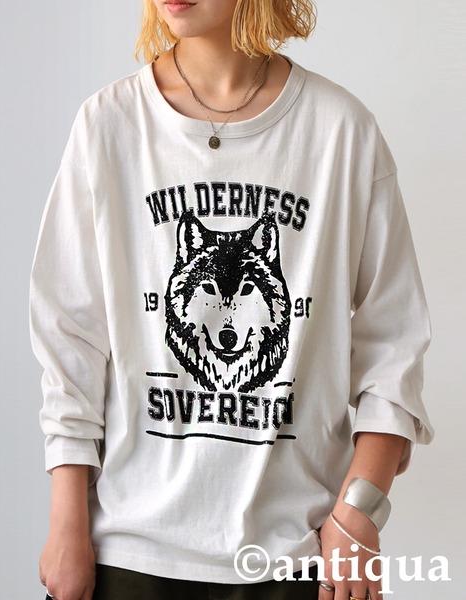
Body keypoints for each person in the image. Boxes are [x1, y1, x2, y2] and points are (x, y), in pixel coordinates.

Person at [29, 1, 434, 599]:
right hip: (130, 553)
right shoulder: (108, 125)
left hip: (297, 556)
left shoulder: (340, 132)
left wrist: (358, 514)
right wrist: (66, 522)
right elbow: (71, 340)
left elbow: (394, 346)